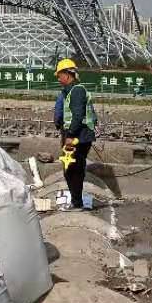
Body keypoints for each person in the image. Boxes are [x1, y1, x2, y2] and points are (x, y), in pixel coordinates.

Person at [53, 57, 98, 211]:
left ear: (67, 74)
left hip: (79, 135)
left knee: (73, 169)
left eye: (59, 75)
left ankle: (77, 203)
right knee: (71, 168)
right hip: (76, 134)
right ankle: (76, 201)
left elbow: (78, 116)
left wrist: (70, 136)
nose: (58, 79)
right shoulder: (71, 91)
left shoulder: (77, 91)